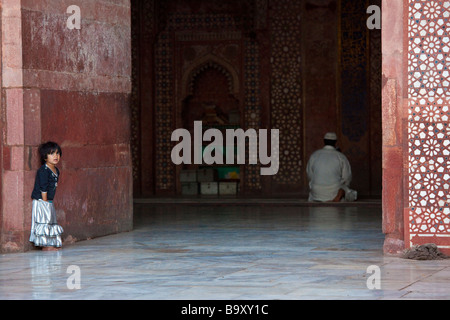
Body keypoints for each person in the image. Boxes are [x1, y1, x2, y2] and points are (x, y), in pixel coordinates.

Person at [29, 141, 64, 251]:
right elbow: (43, 188)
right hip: (42, 201)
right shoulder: (43, 171)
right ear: (45, 157)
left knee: (50, 221)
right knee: (45, 221)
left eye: (57, 153)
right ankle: (45, 245)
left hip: (49, 201)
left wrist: (49, 202)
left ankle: (51, 243)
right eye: (52, 153)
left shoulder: (56, 170)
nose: (55, 156)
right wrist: (45, 203)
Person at [306, 132, 357, 202]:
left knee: (314, 186)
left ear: (324, 141)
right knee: (349, 191)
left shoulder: (314, 155)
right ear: (335, 142)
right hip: (334, 192)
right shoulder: (341, 156)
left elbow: (310, 175)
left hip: (316, 193)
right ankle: (337, 197)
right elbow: (347, 178)